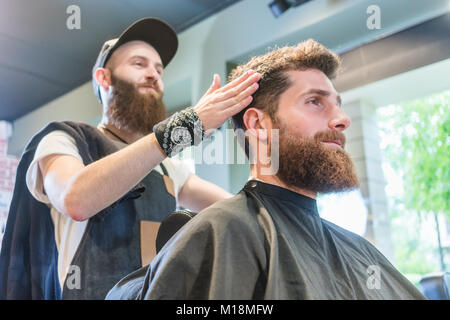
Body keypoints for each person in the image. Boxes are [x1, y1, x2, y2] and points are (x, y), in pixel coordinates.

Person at [106, 39, 426, 300]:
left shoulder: (358, 251)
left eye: (337, 103)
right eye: (315, 101)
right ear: (257, 124)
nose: (342, 118)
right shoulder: (224, 232)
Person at [0, 17, 261, 300]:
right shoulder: (64, 139)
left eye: (159, 69)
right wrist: (181, 129)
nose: (154, 75)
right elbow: (75, 199)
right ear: (104, 78)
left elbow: (235, 210)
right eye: (139, 64)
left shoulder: (167, 167)